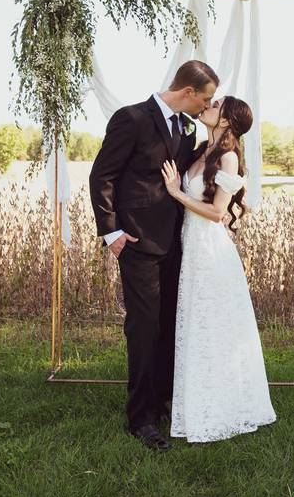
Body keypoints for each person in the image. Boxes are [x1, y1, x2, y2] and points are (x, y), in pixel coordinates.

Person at [88, 60, 217, 452]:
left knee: (167, 323)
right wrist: (111, 232)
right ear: (188, 92)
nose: (205, 106)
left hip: (176, 243)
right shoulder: (132, 119)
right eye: (206, 99)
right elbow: (102, 176)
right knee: (143, 328)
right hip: (137, 242)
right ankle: (140, 417)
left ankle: (161, 401)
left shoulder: (187, 127)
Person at [160, 95, 277, 443]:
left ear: (225, 121)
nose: (208, 106)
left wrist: (175, 193)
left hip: (210, 250)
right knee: (197, 324)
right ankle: (197, 399)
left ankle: (223, 406)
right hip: (192, 248)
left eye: (217, 105)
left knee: (212, 324)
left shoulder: (227, 157)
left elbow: (215, 212)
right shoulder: (200, 151)